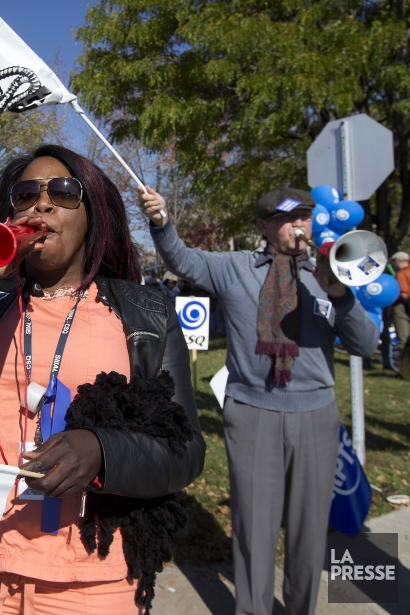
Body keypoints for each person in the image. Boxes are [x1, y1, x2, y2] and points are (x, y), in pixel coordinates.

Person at [0, 145, 203, 614]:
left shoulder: (145, 313)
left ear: (93, 214)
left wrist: (101, 451)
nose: (42, 203)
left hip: (90, 580)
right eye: (25, 194)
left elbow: (186, 450)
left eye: (62, 191)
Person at [139, 186, 379, 615]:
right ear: (264, 226)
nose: (298, 226)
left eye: (304, 217)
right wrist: (162, 223)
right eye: (287, 219)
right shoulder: (235, 269)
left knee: (309, 529)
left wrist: (340, 295)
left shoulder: (328, 276)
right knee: (254, 525)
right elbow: (182, 258)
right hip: (252, 414)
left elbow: (364, 345)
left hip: (316, 416)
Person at [391, 251, 410, 358]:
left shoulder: (401, 273)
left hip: (403, 306)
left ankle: (403, 368)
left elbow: (403, 294)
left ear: (397, 261)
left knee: (403, 338)